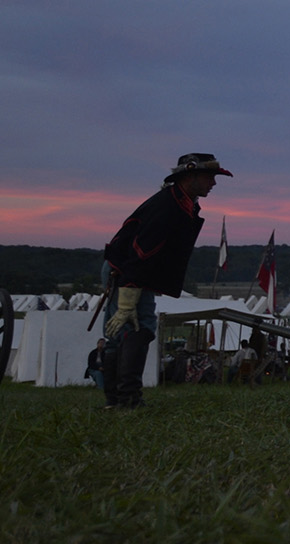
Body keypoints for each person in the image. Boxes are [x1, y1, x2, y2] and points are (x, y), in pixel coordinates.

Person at [99, 152, 230, 408]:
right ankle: (127, 400)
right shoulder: (168, 206)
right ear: (189, 176)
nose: (213, 183)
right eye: (208, 177)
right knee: (138, 327)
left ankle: (117, 400)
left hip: (133, 270)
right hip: (129, 271)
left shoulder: (180, 202)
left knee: (122, 332)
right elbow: (142, 250)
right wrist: (128, 297)